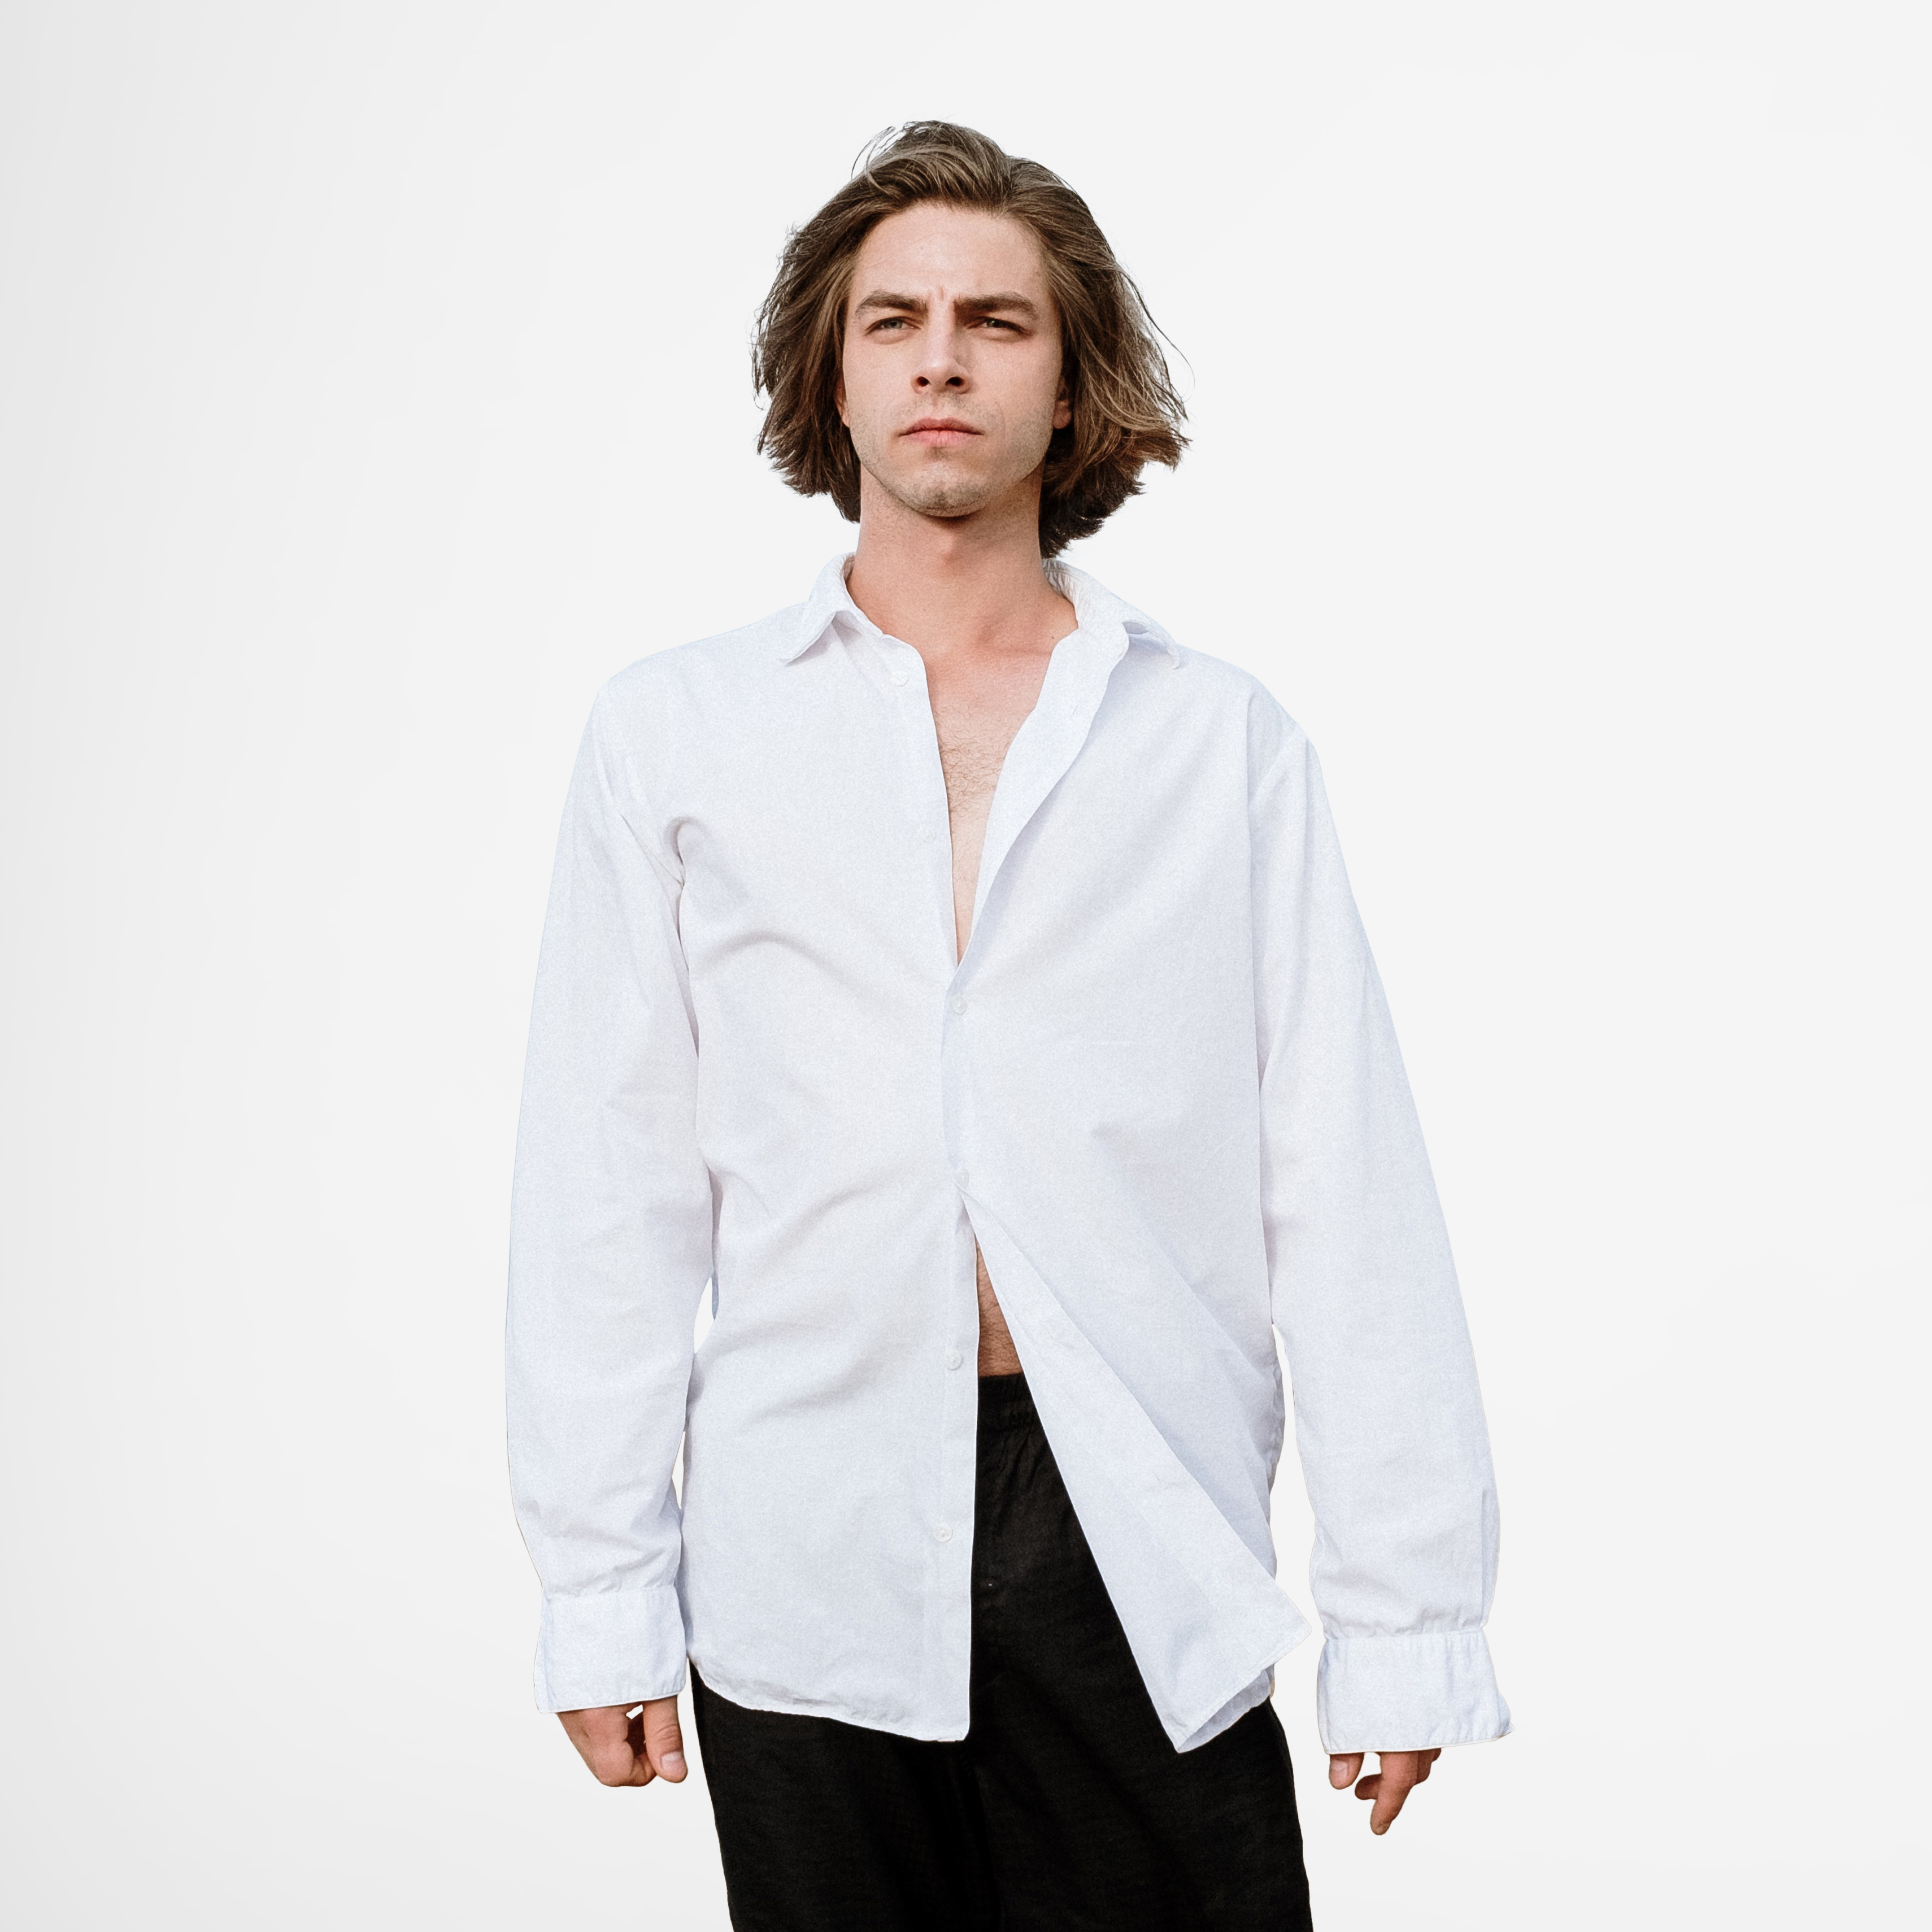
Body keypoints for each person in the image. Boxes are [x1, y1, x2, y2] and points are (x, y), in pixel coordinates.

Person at [505, 120, 1509, 1930]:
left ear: (1069, 382)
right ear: (832, 373)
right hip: (802, 1525)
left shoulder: (1217, 744)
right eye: (892, 320)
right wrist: (599, 1589)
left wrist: (1406, 1617)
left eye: (995, 321)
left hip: (1136, 1511)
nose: (941, 361)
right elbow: (608, 1188)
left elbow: (1342, 1184)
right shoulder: (676, 736)